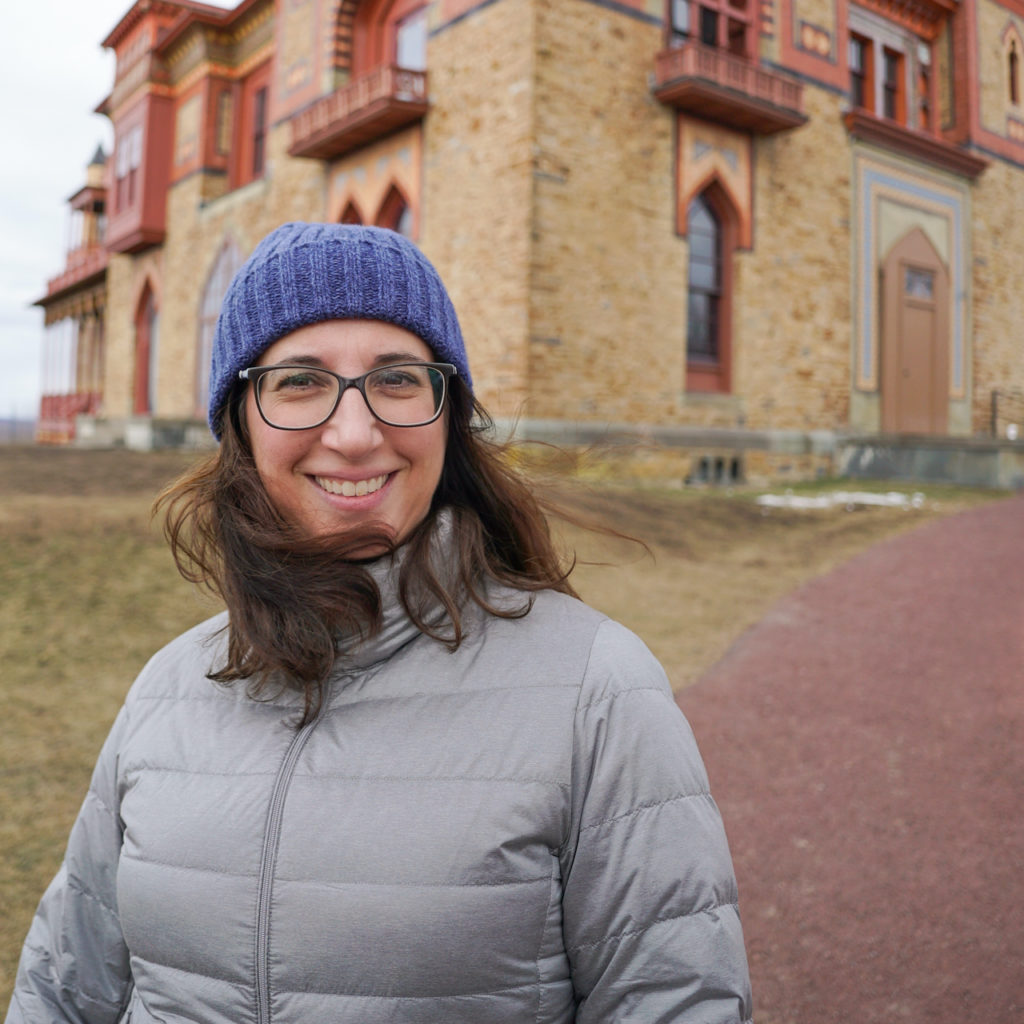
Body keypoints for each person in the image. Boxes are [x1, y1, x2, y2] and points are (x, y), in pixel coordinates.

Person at [7, 223, 753, 1023]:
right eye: (299, 382)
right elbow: (63, 988)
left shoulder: (597, 691)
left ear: (448, 413)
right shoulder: (165, 691)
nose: (356, 434)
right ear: (240, 423)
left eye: (396, 378)